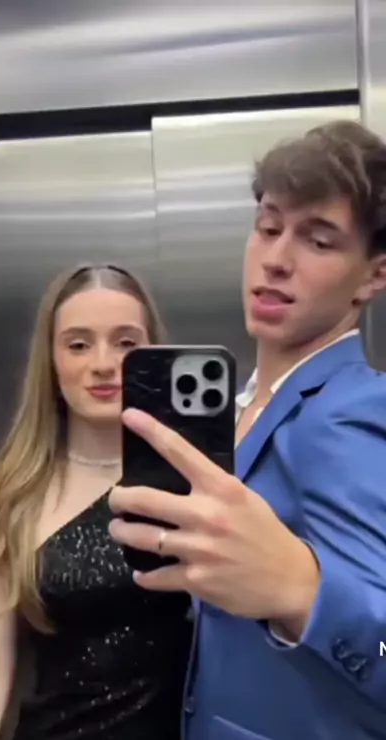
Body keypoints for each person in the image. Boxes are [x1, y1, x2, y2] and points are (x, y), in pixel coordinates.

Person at [109, 120, 386, 740]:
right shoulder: (242, 408)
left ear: (374, 276)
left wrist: (302, 592)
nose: (277, 259)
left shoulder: (353, 415)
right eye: (268, 227)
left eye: (319, 241)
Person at [0, 264, 192, 740]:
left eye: (126, 343)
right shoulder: (6, 494)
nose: (104, 363)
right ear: (52, 360)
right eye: (78, 344)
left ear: (154, 356)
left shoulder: (196, 480)